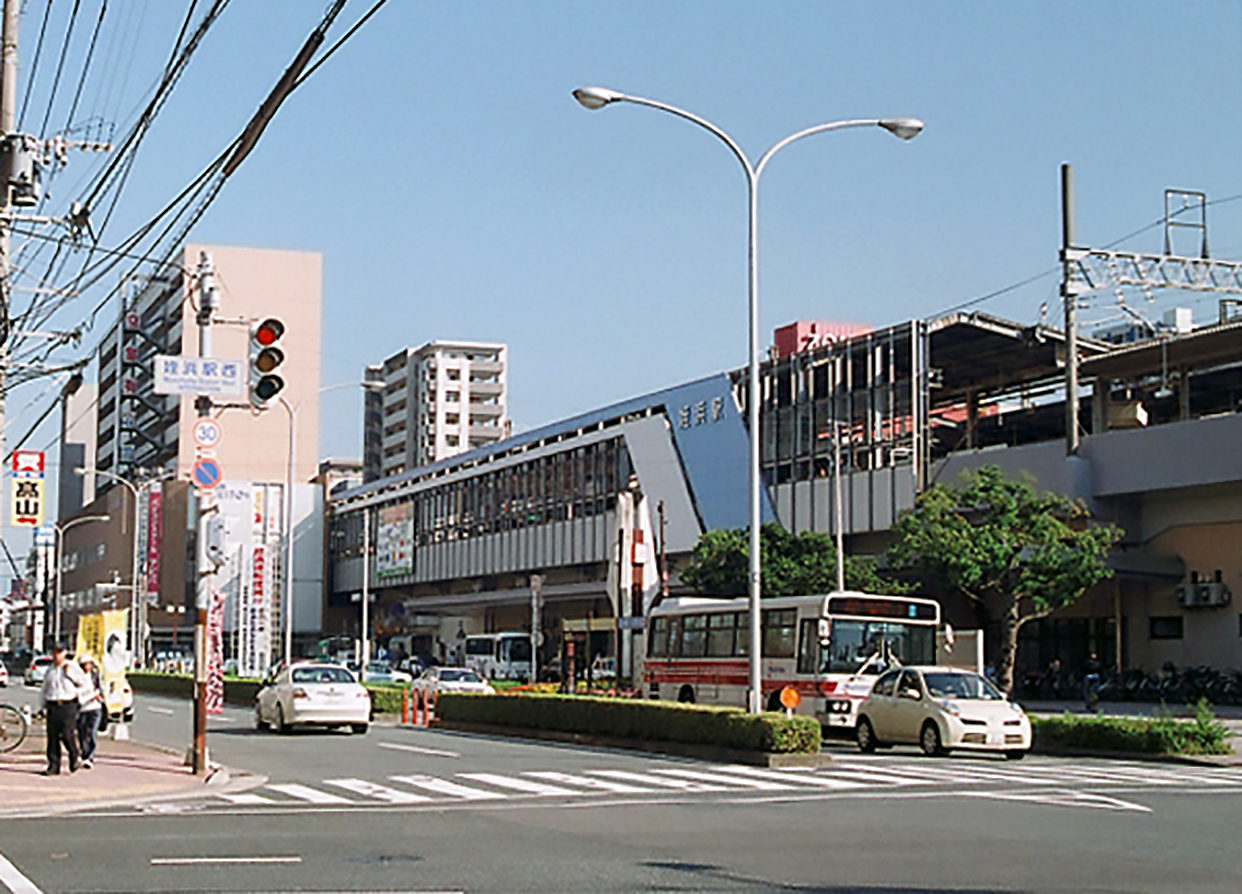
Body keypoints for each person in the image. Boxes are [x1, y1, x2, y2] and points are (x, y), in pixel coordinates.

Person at [38, 644, 88, 775]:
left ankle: (74, 756)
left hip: (67, 704)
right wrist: (41, 707)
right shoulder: (50, 670)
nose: (57, 655)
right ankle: (53, 766)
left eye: (59, 652)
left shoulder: (71, 667)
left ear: (65, 653)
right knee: (52, 736)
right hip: (52, 704)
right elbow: (44, 689)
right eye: (54, 652)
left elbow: (84, 683)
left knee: (67, 734)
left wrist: (70, 674)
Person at [76, 655, 105, 769]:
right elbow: (77, 693)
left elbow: (100, 689)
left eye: (89, 664)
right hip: (83, 708)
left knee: (92, 732)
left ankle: (90, 756)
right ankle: (84, 754)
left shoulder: (95, 675)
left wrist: (100, 697)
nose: (87, 666)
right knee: (82, 732)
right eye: (85, 664)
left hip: (95, 707)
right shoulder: (77, 677)